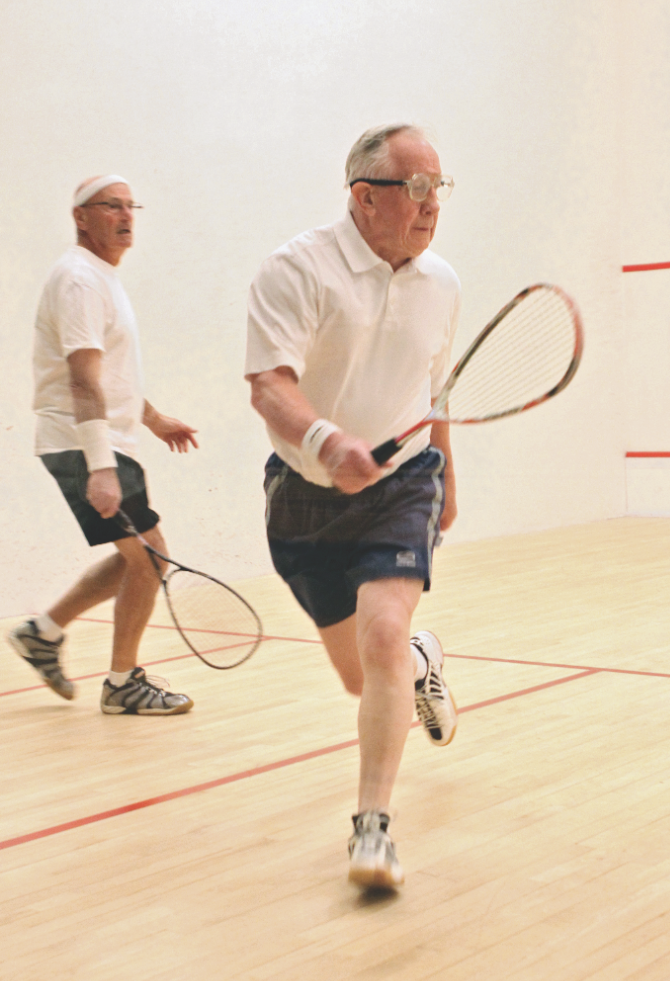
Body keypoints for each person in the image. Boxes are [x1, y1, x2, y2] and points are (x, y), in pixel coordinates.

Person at [245, 124, 461, 888]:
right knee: (365, 676)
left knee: (380, 636)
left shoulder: (441, 282)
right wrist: (332, 444)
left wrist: (448, 478)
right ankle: (421, 662)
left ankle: (373, 827)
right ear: (366, 197)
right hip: (305, 495)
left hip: (402, 484)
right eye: (419, 188)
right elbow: (269, 386)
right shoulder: (296, 269)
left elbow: (436, 391)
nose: (433, 204)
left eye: (441, 187)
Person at [8, 175, 198, 716]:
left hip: (95, 441)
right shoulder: (80, 281)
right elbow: (82, 380)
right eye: (110, 206)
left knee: (137, 557)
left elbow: (111, 376)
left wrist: (156, 420)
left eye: (130, 205)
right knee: (151, 556)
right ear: (81, 218)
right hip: (83, 442)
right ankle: (122, 683)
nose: (125, 215)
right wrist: (101, 465)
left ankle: (43, 633)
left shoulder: (99, 278)